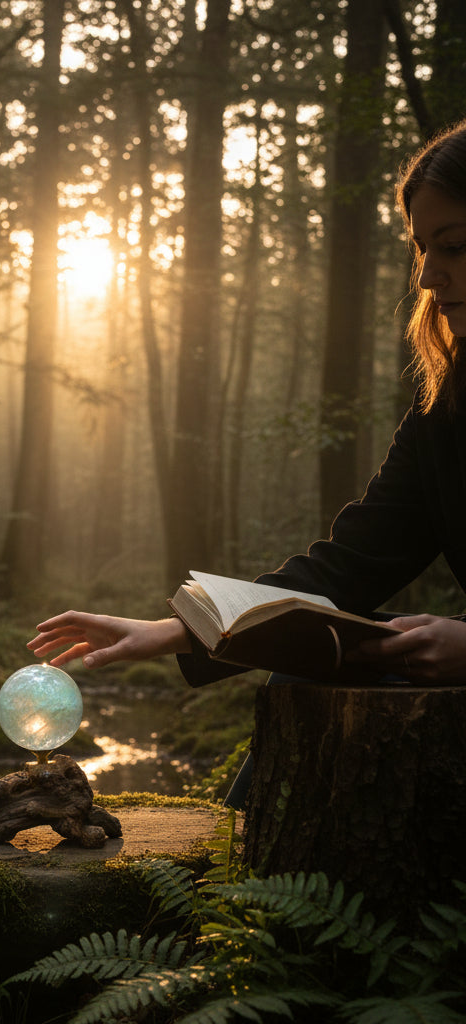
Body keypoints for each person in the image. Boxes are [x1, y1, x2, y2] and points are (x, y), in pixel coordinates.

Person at [29, 120, 466, 695]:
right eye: (422, 248)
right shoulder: (445, 407)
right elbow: (351, 564)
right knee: (304, 667)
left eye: (454, 246)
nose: (428, 276)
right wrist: (173, 630)